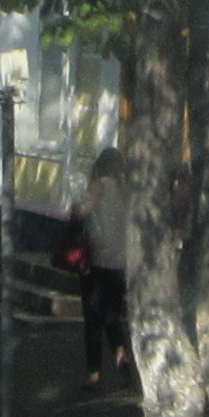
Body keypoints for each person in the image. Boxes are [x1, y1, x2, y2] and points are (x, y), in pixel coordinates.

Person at [78, 143, 130, 386]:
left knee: (93, 318)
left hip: (97, 258)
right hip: (121, 261)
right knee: (112, 314)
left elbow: (84, 211)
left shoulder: (98, 185)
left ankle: (94, 373)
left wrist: (76, 209)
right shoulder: (126, 188)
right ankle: (120, 354)